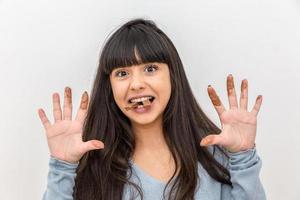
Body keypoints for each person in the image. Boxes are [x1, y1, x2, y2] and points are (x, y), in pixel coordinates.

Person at [38, 18, 266, 200]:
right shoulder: (94, 165)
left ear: (172, 76)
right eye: (122, 73)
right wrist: (62, 166)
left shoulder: (213, 156)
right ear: (109, 87)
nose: (136, 84)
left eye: (150, 68)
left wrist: (243, 157)